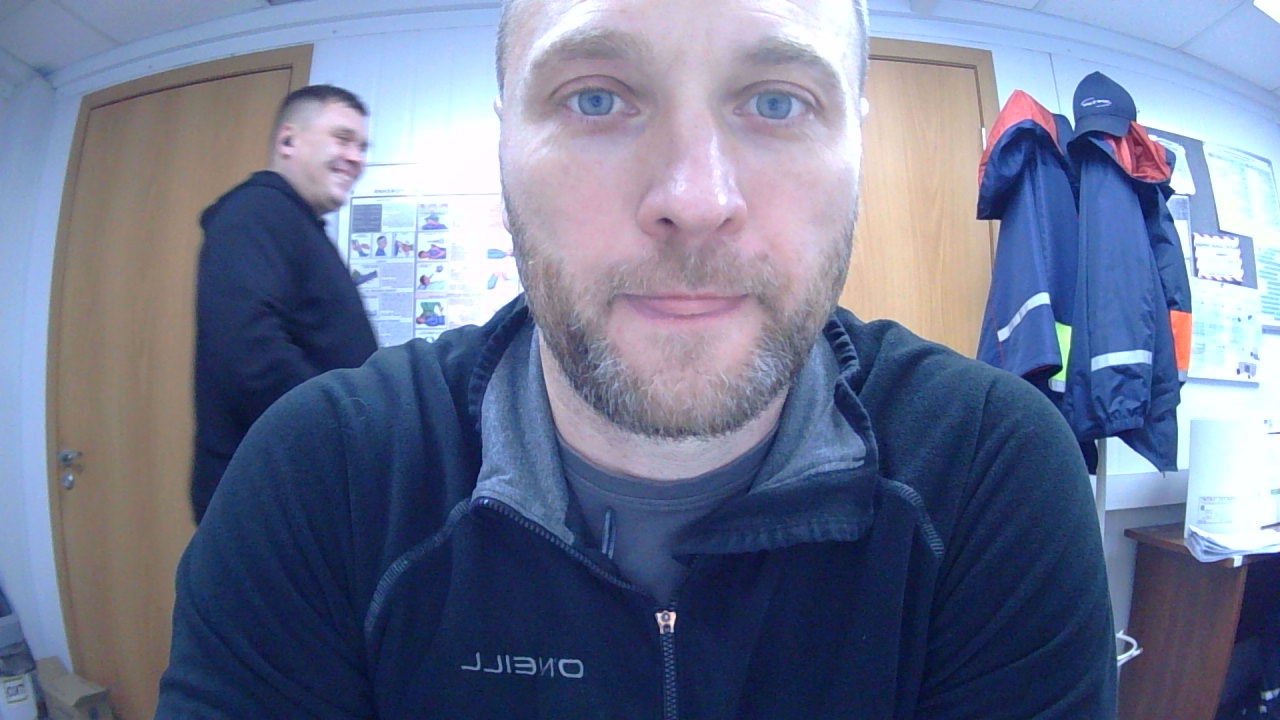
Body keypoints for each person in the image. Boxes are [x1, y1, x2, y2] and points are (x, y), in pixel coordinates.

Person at [159, 1, 1117, 717]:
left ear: (856, 143)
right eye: (597, 98)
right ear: (504, 141)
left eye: (776, 101)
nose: (695, 201)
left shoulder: (990, 475)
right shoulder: (321, 475)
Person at [189, 84, 378, 524]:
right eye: (342, 139)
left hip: (302, 488)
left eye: (362, 147)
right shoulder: (253, 213)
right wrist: (353, 433)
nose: (356, 158)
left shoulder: (296, 223)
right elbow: (248, 356)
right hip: (267, 501)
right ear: (288, 140)